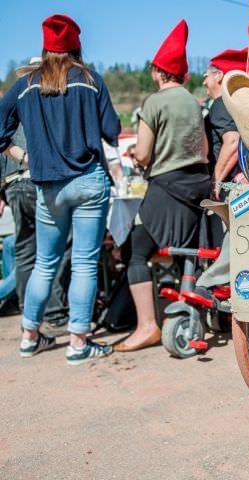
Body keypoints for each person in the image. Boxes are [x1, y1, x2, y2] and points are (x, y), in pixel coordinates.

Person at [0, 14, 120, 364]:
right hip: (88, 181)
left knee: (44, 263)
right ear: (76, 46)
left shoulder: (26, 84)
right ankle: (78, 343)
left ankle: (29, 336)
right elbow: (111, 129)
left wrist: (22, 157)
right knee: (83, 263)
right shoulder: (90, 80)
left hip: (47, 186)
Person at [114, 19, 210, 352]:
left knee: (135, 252)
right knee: (184, 251)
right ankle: (184, 313)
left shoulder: (153, 103)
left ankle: (146, 327)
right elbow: (204, 151)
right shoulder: (195, 103)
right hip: (198, 185)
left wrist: (137, 156)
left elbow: (143, 152)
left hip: (167, 186)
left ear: (158, 71)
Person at [0, 122, 71, 329]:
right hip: (40, 180)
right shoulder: (39, 105)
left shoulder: (8, 115)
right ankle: (55, 313)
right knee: (59, 247)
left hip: (13, 184)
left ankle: (29, 314)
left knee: (24, 252)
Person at [203, 48, 249, 200]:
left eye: (206, 76)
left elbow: (233, 142)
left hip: (231, 187)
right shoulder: (236, 104)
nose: (204, 82)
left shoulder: (220, 103)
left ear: (219, 76)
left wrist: (215, 182)